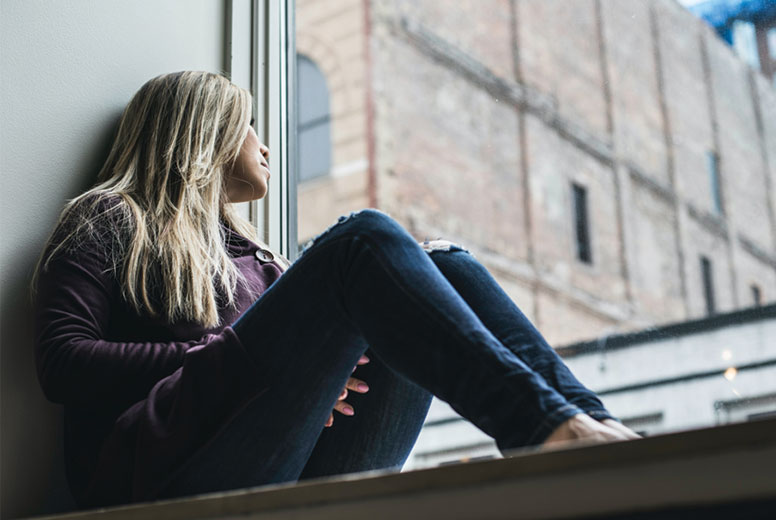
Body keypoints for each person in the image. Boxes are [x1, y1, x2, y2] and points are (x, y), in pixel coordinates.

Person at [31, 71, 640, 509]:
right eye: (247, 126)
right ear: (201, 133)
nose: (264, 144)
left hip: (292, 463)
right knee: (363, 237)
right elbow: (63, 363)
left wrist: (315, 373)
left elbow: (280, 369)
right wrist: (226, 357)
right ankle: (543, 431)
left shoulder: (261, 262)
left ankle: (590, 427)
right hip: (160, 471)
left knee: (447, 262)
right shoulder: (111, 219)